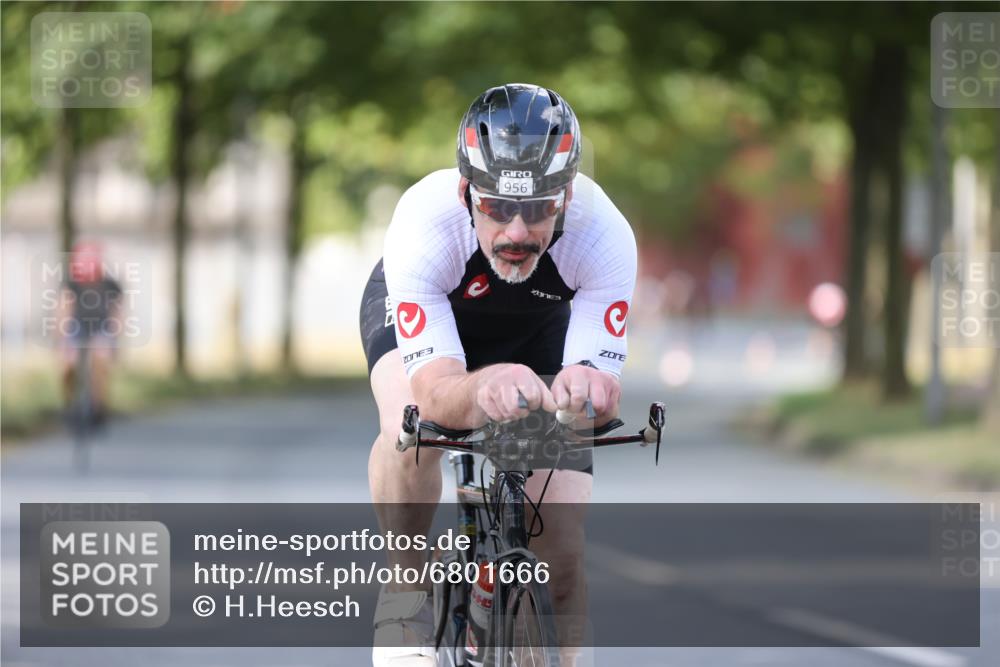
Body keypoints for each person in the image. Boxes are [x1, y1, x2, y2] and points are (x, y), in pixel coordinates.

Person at [360, 83, 637, 666]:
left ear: (564, 197)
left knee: (559, 551)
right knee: (408, 431)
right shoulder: (424, 224)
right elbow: (435, 392)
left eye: (537, 208)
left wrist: (590, 392)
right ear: (467, 193)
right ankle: (406, 590)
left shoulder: (604, 237)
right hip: (437, 313)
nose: (516, 232)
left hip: (538, 324)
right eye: (495, 206)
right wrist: (485, 385)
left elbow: (597, 393)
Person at [58, 241, 122, 425]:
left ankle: (99, 406)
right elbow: (64, 311)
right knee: (67, 365)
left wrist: (114, 341)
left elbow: (117, 314)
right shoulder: (71, 283)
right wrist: (61, 340)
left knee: (100, 360)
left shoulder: (110, 284)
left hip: (101, 328)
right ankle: (70, 404)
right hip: (77, 328)